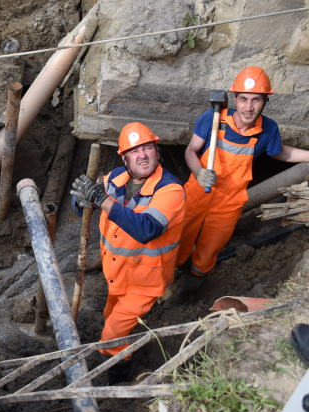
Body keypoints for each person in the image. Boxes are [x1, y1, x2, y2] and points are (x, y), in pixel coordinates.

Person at [165, 66, 309, 308]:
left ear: (265, 101)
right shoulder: (213, 118)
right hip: (197, 192)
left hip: (228, 203)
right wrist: (199, 172)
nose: (248, 107)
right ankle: (169, 279)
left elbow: (280, 153)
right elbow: (191, 151)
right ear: (235, 99)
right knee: (178, 240)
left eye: (256, 100)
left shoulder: (268, 130)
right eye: (243, 99)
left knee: (207, 252)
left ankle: (187, 291)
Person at [71, 122, 186, 381]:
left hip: (145, 282)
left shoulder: (171, 190)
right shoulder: (113, 178)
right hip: (116, 274)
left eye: (147, 148)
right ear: (124, 157)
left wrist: (101, 200)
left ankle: (118, 379)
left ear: (158, 152)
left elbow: (146, 229)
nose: (142, 155)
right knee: (110, 317)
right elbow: (83, 205)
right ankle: (125, 350)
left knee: (111, 338)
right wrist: (80, 200)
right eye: (134, 151)